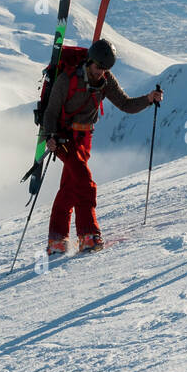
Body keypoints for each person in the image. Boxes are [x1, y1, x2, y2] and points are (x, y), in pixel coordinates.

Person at [41, 38, 162, 254]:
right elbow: (50, 112)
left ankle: (57, 241)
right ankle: (88, 235)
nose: (100, 73)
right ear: (89, 62)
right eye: (98, 68)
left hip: (85, 138)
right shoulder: (67, 80)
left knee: (70, 188)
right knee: (85, 183)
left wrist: (148, 99)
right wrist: (49, 136)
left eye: (105, 69)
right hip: (63, 138)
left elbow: (125, 104)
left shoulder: (106, 80)